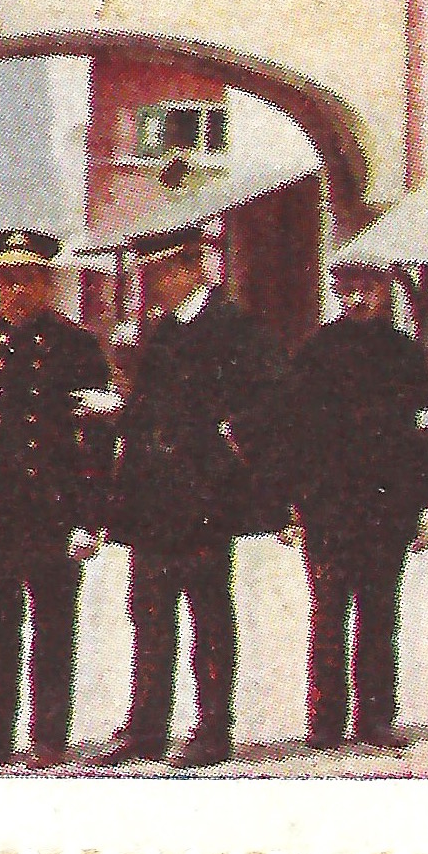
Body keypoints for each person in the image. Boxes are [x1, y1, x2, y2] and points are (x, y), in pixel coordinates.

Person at [90, 226, 293, 769]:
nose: (153, 284)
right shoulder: (158, 333)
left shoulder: (234, 327)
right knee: (149, 614)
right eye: (148, 275)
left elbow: (273, 402)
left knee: (208, 616)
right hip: (153, 501)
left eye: (162, 273)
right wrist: (117, 407)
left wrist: (228, 447)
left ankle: (212, 730)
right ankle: (147, 726)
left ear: (193, 267)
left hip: (206, 499)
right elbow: (152, 409)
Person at [0, 229, 110, 769]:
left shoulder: (77, 347)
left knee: (53, 626)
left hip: (51, 513)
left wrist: (90, 517)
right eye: (8, 280)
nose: (17, 290)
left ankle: (48, 737)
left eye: (29, 279)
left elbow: (96, 441)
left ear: (47, 284)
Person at [288, 259, 428, 752]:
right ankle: (325, 720)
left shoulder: (406, 357)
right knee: (328, 614)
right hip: (330, 508)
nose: (356, 299)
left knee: (379, 613)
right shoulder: (316, 354)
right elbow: (295, 437)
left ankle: (375, 718)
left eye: (367, 288)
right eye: (346, 289)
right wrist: (292, 502)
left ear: (384, 291)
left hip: (386, 507)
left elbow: (426, 434)